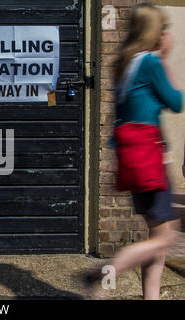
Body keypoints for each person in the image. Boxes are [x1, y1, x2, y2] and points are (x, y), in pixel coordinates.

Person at [82, 3, 183, 300]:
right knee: (167, 235)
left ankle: (149, 297)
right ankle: (104, 271)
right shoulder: (151, 63)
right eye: (163, 28)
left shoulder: (125, 63)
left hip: (133, 160)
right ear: (155, 31)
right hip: (152, 160)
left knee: (158, 236)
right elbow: (176, 101)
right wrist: (164, 59)